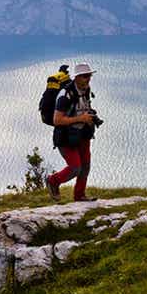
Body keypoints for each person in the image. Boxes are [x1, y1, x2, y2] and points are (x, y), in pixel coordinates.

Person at [46, 62, 101, 202]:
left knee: (86, 166)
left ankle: (80, 196)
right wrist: (81, 118)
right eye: (84, 76)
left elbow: (84, 107)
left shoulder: (86, 89)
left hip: (82, 134)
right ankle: (53, 181)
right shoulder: (65, 95)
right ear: (76, 77)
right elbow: (57, 120)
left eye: (89, 75)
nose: (87, 79)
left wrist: (90, 116)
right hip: (66, 137)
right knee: (75, 167)